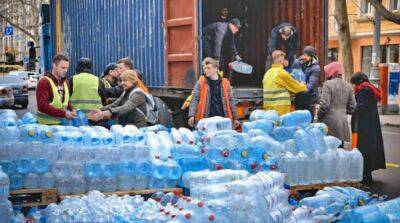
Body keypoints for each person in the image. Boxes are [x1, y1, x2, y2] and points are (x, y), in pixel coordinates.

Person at [350, 72, 386, 184]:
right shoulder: (369, 88)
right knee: (369, 147)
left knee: (364, 148)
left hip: (365, 124)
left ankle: (366, 175)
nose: (354, 86)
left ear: (358, 81)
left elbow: (360, 107)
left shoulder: (364, 90)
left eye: (354, 84)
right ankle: (366, 174)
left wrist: (350, 109)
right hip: (371, 123)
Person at [188, 57, 240, 128]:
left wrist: (235, 118)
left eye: (209, 68)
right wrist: (191, 115)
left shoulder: (225, 82)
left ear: (216, 69)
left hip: (223, 120)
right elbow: (194, 99)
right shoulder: (201, 82)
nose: (206, 70)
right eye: (205, 68)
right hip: (206, 121)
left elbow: (231, 100)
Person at [317, 62, 356, 145]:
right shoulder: (348, 86)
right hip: (343, 123)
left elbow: (324, 105)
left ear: (331, 72)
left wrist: (319, 116)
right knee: (339, 152)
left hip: (329, 123)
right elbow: (353, 107)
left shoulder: (327, 84)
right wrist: (343, 111)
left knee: (329, 151)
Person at [262, 50, 306, 115]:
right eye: (284, 59)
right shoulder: (281, 73)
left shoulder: (267, 73)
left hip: (268, 106)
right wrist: (304, 86)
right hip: (280, 107)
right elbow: (295, 86)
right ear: (281, 60)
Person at [36, 54, 75, 125]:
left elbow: (65, 102)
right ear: (54, 65)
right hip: (46, 128)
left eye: (67, 68)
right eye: (63, 68)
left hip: (62, 126)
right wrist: (64, 113)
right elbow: (42, 106)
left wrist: (72, 109)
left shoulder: (66, 82)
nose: (66, 70)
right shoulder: (44, 82)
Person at [292, 46, 321, 120]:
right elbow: (295, 69)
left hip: (309, 97)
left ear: (312, 56)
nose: (305, 57)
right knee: (298, 120)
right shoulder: (300, 63)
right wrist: (298, 60)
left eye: (308, 55)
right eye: (304, 55)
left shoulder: (315, 68)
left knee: (308, 120)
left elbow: (311, 82)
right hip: (299, 96)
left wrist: (305, 89)